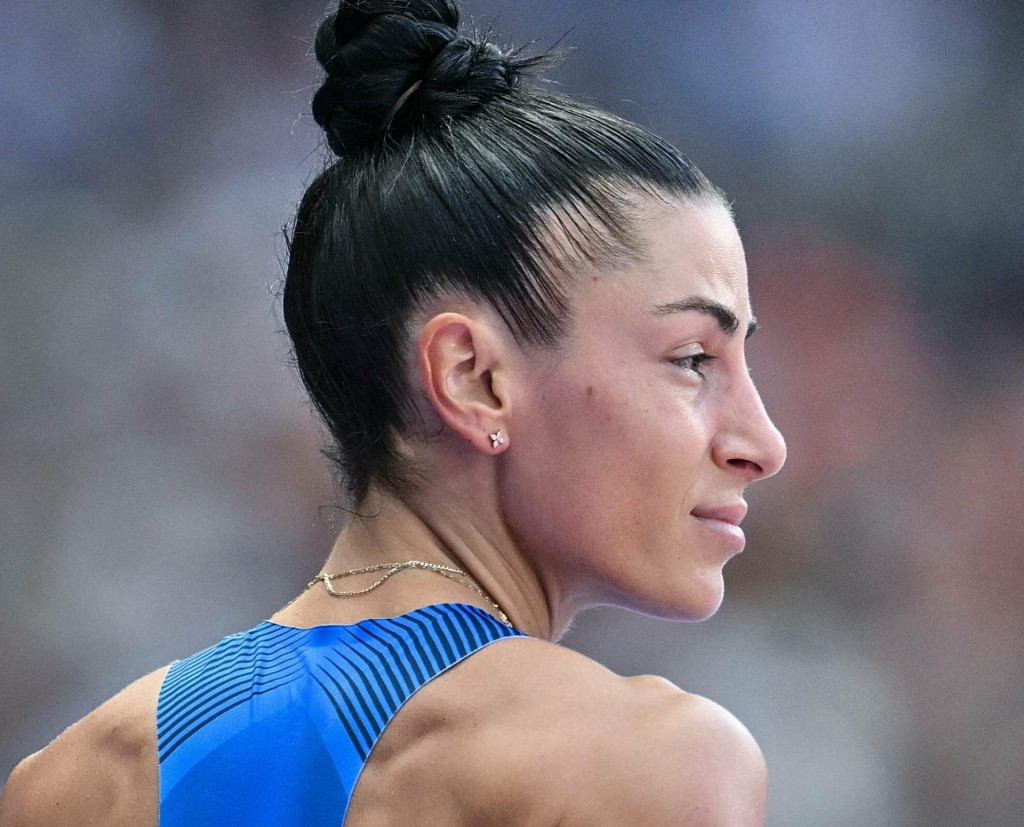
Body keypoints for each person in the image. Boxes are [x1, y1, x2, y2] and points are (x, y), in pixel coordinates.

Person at [0, 0, 786, 824]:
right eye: (693, 359)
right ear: (474, 377)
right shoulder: (649, 760)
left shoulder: (80, 780)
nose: (763, 443)